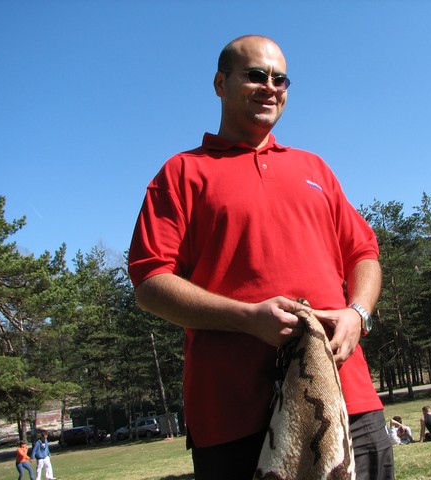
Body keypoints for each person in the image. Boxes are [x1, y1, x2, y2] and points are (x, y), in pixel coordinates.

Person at [128, 35, 394, 480]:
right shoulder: (181, 173)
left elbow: (364, 252)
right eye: (255, 75)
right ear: (220, 83)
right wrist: (248, 318)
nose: (270, 87)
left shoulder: (314, 168)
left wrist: (358, 314)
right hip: (235, 417)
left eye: (280, 79)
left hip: (350, 399)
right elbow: (150, 282)